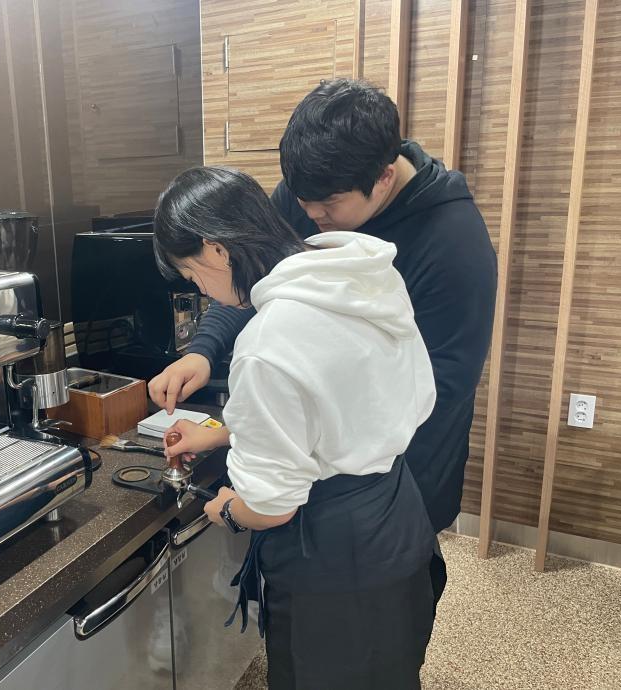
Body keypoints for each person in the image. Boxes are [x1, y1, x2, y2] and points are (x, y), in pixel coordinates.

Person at [148, 79, 497, 603]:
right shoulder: (314, 188)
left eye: (327, 206)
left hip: (405, 471)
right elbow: (253, 268)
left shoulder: (454, 244)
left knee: (386, 603)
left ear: (383, 178)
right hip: (332, 472)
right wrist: (204, 350)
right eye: (300, 200)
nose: (310, 217)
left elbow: (438, 389)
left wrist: (263, 480)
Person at [154, 166, 437, 689]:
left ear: (216, 249)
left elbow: (272, 506)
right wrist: (223, 431)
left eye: (193, 275)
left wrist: (227, 509)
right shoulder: (356, 276)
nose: (203, 291)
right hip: (398, 520)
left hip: (332, 559)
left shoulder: (267, 342)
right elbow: (336, 405)